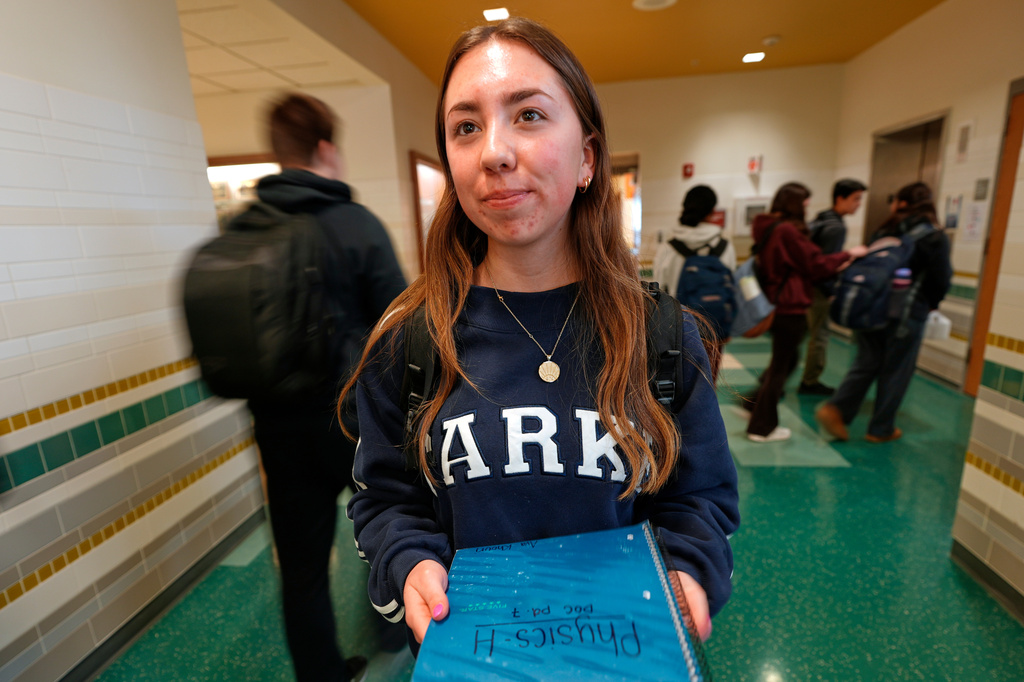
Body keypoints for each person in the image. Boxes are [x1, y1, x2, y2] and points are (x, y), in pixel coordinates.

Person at [340, 17, 740, 653]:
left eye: (528, 115)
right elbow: (386, 502)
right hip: (477, 652)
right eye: (466, 127)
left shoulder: (661, 334)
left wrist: (689, 568)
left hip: (622, 648)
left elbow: (702, 498)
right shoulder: (410, 341)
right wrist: (410, 563)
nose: (495, 152)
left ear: (586, 154)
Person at [250, 92, 407, 681]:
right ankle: (396, 623)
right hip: (355, 421)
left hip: (277, 430)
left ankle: (322, 675)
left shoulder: (248, 227)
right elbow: (398, 328)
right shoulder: (355, 224)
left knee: (302, 569)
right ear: (325, 150)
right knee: (389, 522)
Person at [816, 182, 952, 443]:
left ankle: (837, 409)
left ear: (899, 203)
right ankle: (881, 428)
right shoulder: (934, 236)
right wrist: (933, 303)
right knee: (898, 368)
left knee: (866, 361)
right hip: (908, 312)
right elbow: (941, 278)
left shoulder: (884, 230)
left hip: (871, 308)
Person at [744, 182, 868, 442]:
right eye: (804, 203)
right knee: (782, 365)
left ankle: (754, 405)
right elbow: (814, 264)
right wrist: (849, 254)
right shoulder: (788, 231)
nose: (807, 208)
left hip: (777, 302)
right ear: (794, 204)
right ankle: (761, 426)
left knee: (786, 361)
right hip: (790, 304)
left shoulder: (768, 226)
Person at [653, 184, 736, 380]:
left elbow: (657, 288)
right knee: (708, 381)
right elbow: (731, 286)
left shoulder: (669, 248)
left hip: (679, 328)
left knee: (676, 383)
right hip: (715, 327)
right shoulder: (725, 247)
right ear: (712, 211)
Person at [798, 178, 867, 396]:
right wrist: (829, 291)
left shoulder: (819, 220)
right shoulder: (836, 227)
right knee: (819, 336)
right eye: (855, 199)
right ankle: (810, 380)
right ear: (840, 198)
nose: (858, 204)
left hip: (803, 287)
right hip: (817, 289)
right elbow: (824, 265)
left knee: (799, 336)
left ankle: (781, 381)